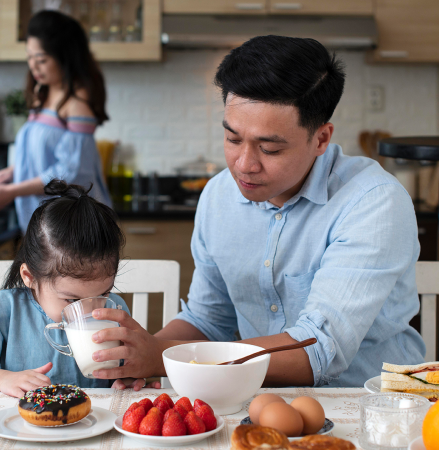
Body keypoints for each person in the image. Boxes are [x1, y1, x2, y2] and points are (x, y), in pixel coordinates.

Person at [87, 35, 426, 388]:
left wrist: (161, 357)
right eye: (233, 140)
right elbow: (208, 319)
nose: (244, 165)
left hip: (376, 408)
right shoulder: (219, 195)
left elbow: (319, 350)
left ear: (321, 139)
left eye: (269, 149)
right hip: (252, 400)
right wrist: (144, 354)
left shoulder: (374, 201)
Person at [0, 180, 157, 397]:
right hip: (22, 427)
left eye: (103, 294)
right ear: (30, 277)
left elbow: (124, 369)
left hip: (92, 424)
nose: (90, 313)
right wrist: (2, 379)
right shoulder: (5, 310)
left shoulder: (114, 311)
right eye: (72, 301)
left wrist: (127, 380)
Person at [0, 10, 112, 233]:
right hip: (45, 223)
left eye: (42, 60)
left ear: (65, 57)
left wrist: (14, 191)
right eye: (29, 57)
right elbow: (41, 154)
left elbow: (72, 172)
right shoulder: (42, 95)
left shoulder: (77, 105)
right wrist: (13, 171)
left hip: (71, 226)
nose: (33, 66)